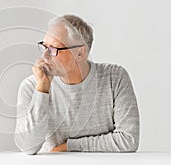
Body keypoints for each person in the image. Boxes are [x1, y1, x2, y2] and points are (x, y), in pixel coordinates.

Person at [14, 14, 140, 155]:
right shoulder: (32, 86)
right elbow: (27, 147)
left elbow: (128, 140)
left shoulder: (114, 77)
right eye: (44, 46)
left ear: (80, 53)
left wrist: (69, 146)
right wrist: (42, 90)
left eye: (53, 49)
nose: (44, 57)